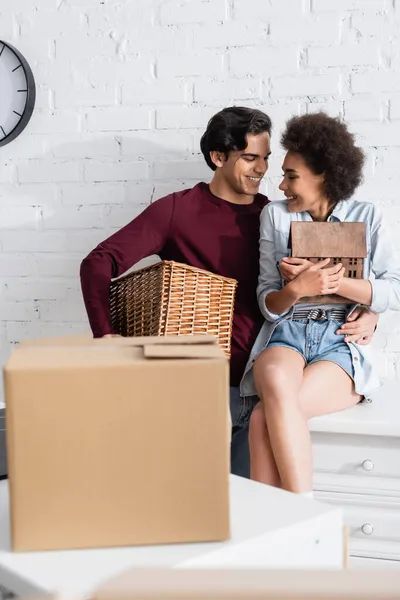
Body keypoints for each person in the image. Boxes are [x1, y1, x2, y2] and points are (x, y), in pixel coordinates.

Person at [80, 107, 378, 478]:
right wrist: (104, 334)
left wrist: (371, 311)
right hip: (195, 391)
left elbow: (321, 286)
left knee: (252, 512)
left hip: (261, 385)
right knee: (188, 507)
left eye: (266, 158)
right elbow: (98, 262)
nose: (261, 170)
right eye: (250, 157)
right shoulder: (177, 211)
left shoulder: (276, 216)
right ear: (218, 157)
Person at [241, 112, 400, 496]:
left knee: (264, 416)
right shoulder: (274, 217)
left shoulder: (368, 216)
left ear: (324, 175)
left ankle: (285, 522)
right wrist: (297, 288)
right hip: (288, 331)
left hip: (341, 339)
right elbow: (268, 301)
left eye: (292, 176)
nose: (280, 184)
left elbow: (394, 289)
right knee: (276, 380)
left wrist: (337, 284)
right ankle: (303, 520)